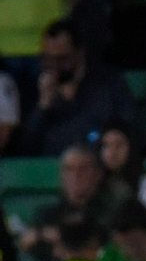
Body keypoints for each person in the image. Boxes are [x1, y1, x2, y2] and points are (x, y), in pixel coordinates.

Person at [14, 20, 134, 158]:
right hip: (48, 169)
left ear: (79, 53)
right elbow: (25, 148)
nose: (54, 66)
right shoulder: (34, 88)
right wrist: (43, 106)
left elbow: (124, 128)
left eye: (61, 59)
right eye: (47, 58)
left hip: (95, 164)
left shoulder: (109, 85)